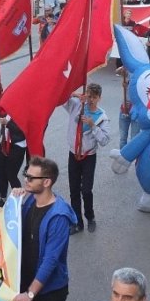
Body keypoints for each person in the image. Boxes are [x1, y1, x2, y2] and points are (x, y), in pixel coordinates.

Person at [10, 156, 77, 301]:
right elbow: (10, 227)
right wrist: (14, 201)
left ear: (46, 182)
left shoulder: (59, 217)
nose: (26, 180)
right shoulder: (30, 199)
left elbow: (50, 260)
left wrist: (30, 294)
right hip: (24, 281)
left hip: (50, 289)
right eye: (26, 175)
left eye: (31, 178)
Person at [63, 84, 111, 235]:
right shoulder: (76, 105)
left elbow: (104, 140)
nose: (90, 100)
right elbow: (61, 97)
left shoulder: (102, 117)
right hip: (73, 154)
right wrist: (76, 95)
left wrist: (92, 126)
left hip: (89, 156)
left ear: (99, 98)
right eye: (89, 95)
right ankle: (77, 222)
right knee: (74, 190)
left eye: (94, 97)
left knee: (86, 190)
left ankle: (90, 216)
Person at [0, 113, 26, 206]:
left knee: (11, 175)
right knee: (2, 173)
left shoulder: (24, 109)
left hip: (18, 145)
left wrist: (7, 123)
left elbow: (23, 131)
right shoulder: (7, 107)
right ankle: (3, 198)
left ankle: (19, 201)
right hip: (4, 143)